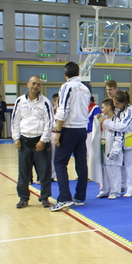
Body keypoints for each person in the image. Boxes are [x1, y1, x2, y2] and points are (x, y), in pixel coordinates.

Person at [52, 62, 91, 211]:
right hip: (82, 129)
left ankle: (65, 198)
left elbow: (63, 109)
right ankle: (80, 197)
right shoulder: (85, 89)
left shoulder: (66, 87)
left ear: (65, 74)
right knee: (81, 164)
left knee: (59, 163)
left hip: (68, 129)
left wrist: (58, 131)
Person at [11, 76, 54, 209]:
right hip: (24, 141)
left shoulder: (45, 102)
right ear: (28, 84)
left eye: (39, 84)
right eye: (34, 83)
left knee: (44, 171)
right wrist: (16, 138)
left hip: (40, 142)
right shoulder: (20, 101)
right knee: (23, 172)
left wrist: (43, 140)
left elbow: (49, 122)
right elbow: (15, 120)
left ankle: (45, 197)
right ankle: (23, 198)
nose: (36, 86)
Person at [100, 90, 132, 197]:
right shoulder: (118, 110)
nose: (115, 105)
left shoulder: (130, 111)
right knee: (121, 166)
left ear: (124, 102)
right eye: (114, 102)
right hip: (122, 140)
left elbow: (121, 127)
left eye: (117, 103)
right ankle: (122, 186)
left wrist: (106, 122)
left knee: (131, 167)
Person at [96, 98, 124, 200]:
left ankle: (115, 191)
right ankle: (105, 190)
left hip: (113, 148)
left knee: (114, 171)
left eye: (103, 107)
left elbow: (119, 137)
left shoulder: (117, 121)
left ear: (108, 107)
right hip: (105, 146)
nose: (102, 110)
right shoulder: (105, 120)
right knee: (105, 170)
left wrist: (114, 151)